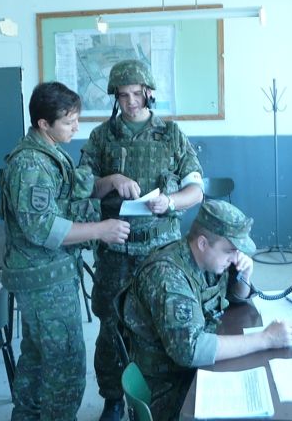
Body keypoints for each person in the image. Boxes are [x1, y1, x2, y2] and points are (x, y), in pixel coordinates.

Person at [78, 59, 204, 421]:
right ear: (115, 97)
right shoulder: (102, 137)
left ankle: (163, 394)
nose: (131, 101)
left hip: (161, 251)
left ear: (149, 92)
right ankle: (113, 398)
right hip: (115, 248)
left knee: (161, 324)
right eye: (123, 95)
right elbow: (84, 187)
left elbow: (196, 190)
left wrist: (170, 202)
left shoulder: (171, 135)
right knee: (111, 327)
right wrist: (112, 180)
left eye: (137, 93)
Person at [0, 81, 130, 421]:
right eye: (69, 122)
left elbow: (71, 191)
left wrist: (110, 180)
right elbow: (42, 228)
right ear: (44, 124)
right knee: (66, 366)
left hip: (46, 275)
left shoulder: (48, 153)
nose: (76, 128)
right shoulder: (31, 165)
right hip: (44, 281)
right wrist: (101, 230)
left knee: (37, 359)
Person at [119, 200, 292, 421]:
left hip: (193, 369)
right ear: (203, 243)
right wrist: (266, 338)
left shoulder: (208, 260)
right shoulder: (167, 276)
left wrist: (244, 275)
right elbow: (191, 350)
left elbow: (234, 300)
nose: (234, 257)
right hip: (169, 385)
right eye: (230, 251)